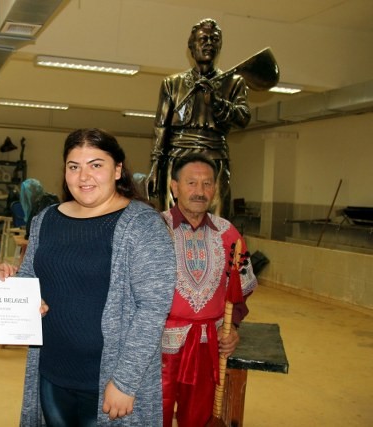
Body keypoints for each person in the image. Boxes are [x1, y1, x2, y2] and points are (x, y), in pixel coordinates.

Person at [18, 128, 176, 426]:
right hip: (51, 371)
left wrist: (125, 382)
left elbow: (153, 309)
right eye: (74, 166)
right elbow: (29, 277)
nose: (83, 177)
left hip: (108, 382)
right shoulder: (46, 219)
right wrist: (6, 285)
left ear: (117, 170)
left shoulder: (142, 225)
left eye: (96, 165)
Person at [160, 153, 258, 427]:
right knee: (153, 416)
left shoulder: (229, 234)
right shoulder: (153, 229)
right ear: (175, 187)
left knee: (199, 419)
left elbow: (241, 291)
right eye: (191, 183)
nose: (200, 191)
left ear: (215, 189)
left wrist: (233, 326)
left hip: (207, 345)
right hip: (157, 347)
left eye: (207, 184)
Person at [146, 18, 251, 219]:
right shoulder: (172, 83)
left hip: (215, 158)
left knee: (218, 223)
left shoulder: (233, 82)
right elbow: (161, 127)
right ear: (191, 47)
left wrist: (217, 101)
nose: (209, 43)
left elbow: (243, 118)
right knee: (172, 223)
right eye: (203, 39)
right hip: (177, 158)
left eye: (214, 39)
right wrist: (155, 167)